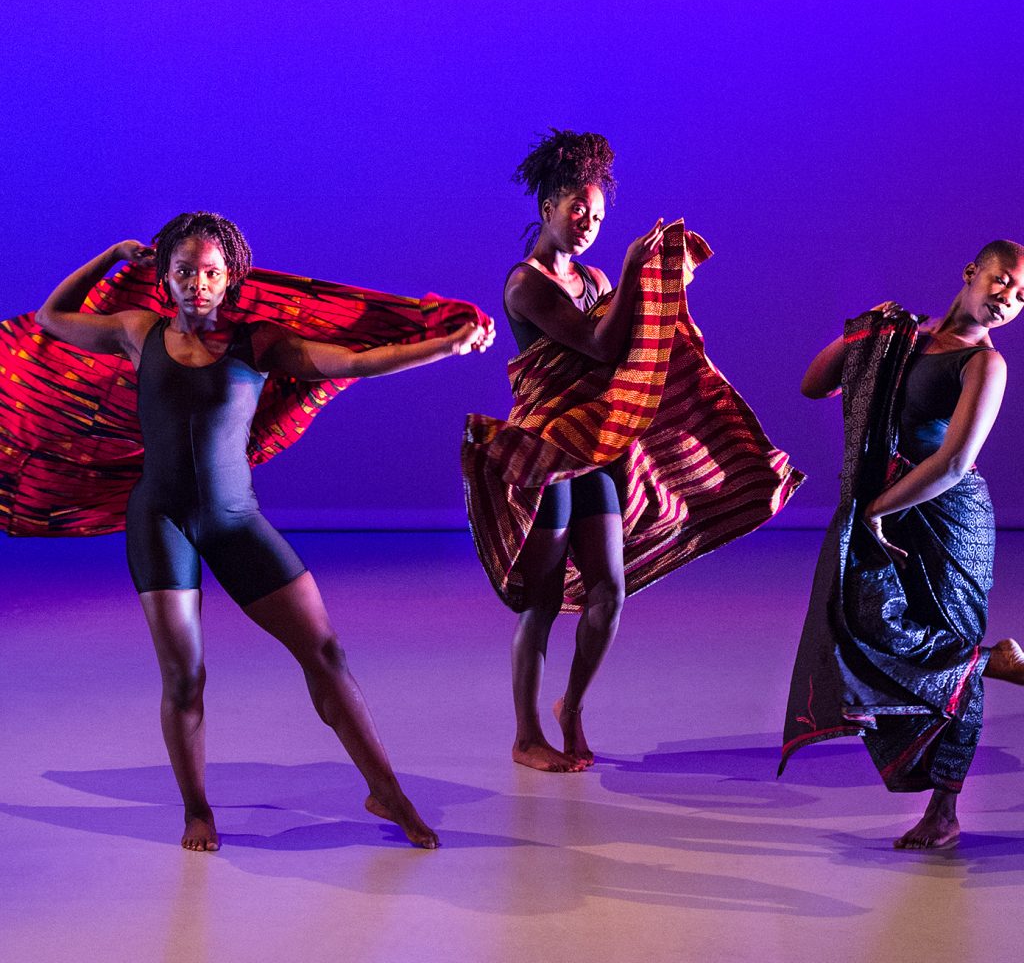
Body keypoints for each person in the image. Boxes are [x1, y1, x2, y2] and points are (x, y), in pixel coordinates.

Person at [33, 212, 493, 851]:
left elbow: (355, 363)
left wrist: (440, 348)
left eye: (212, 273)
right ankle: (197, 809)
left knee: (325, 653)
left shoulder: (260, 344)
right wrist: (110, 255)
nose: (199, 283)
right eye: (186, 271)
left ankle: (385, 789)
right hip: (160, 521)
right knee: (184, 676)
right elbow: (50, 317)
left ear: (230, 282)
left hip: (233, 519)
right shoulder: (138, 332)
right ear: (165, 278)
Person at [462, 130, 803, 773]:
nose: (587, 223)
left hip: (592, 449)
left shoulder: (590, 277)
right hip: (547, 452)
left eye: (596, 215)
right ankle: (525, 735)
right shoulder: (525, 284)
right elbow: (597, 346)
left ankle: (574, 706)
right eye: (576, 211)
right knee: (540, 601)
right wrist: (629, 273)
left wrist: (657, 279)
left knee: (608, 594)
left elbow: (624, 339)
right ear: (547, 208)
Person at [780, 239, 1024, 849]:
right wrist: (868, 334)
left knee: (953, 655)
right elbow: (815, 383)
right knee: (861, 618)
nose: (1008, 300)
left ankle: (944, 810)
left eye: (1022, 298)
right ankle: (994, 661)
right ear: (971, 271)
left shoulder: (984, 365)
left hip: (946, 522)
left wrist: (877, 511)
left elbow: (953, 461)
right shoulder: (906, 336)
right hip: (887, 512)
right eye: (1002, 281)